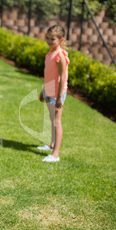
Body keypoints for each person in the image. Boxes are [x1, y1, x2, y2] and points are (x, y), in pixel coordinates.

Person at [38, 25, 70, 162]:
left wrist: (59, 98)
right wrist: (43, 90)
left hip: (57, 94)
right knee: (52, 120)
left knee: (57, 122)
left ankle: (55, 154)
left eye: (53, 39)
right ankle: (51, 145)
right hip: (49, 91)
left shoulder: (60, 55)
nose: (50, 41)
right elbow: (50, 75)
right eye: (48, 38)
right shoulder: (50, 53)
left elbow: (63, 77)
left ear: (61, 40)